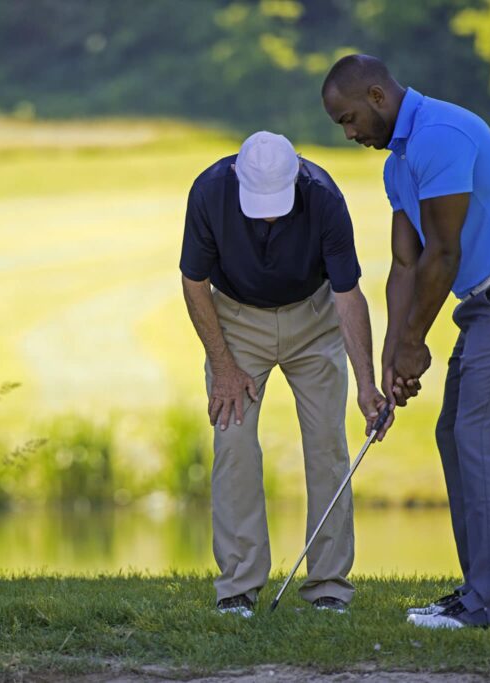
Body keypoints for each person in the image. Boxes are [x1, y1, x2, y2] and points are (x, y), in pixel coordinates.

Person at [321, 55, 490, 629]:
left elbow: (445, 253)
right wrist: (394, 354)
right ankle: (477, 593)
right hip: (486, 303)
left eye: (348, 119)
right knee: (456, 434)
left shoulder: (440, 134)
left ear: (376, 95)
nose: (349, 134)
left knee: (481, 438)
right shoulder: (400, 163)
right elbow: (404, 262)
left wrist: (416, 342)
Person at [180, 130, 391, 617]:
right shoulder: (210, 191)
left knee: (327, 445)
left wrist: (366, 385)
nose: (270, 213)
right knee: (232, 442)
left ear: (297, 175)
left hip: (314, 320)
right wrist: (224, 367)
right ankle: (238, 586)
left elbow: (347, 295)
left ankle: (329, 587)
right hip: (235, 321)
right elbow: (194, 284)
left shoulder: (323, 197)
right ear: (238, 176)